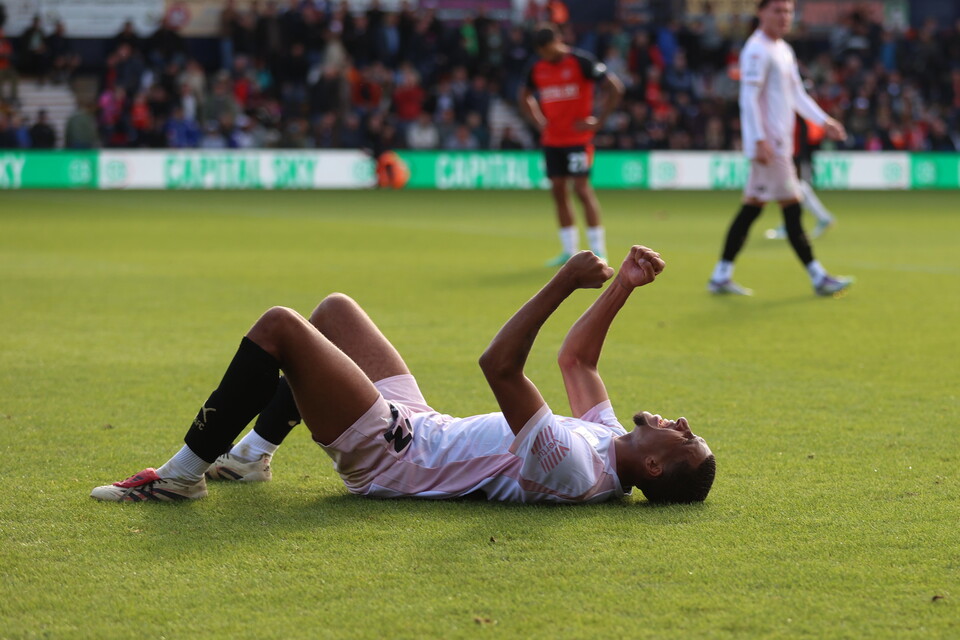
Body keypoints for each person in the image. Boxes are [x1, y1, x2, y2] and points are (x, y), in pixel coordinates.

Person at [91, 246, 715, 505]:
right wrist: (624, 286)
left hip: (395, 458)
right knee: (335, 311)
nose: (684, 423)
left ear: (655, 469)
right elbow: (577, 361)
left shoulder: (576, 469)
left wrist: (560, 282)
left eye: (686, 437)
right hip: (422, 428)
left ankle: (179, 479)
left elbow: (498, 366)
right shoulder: (606, 440)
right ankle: (253, 454)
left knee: (281, 326)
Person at [707, 0, 852, 297]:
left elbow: (797, 94)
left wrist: (824, 121)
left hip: (778, 144)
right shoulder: (757, 49)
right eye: (778, 10)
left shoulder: (783, 49)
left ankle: (721, 275)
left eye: (788, 11)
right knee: (792, 208)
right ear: (761, 12)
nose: (784, 17)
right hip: (770, 146)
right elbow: (748, 99)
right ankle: (818, 277)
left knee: (751, 209)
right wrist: (758, 139)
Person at [519, 23, 624, 267]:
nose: (545, 55)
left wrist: (598, 121)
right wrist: (538, 121)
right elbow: (523, 95)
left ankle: (598, 250)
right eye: (541, 52)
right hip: (552, 140)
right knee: (558, 191)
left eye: (547, 49)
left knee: (581, 189)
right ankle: (569, 251)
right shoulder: (537, 67)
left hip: (578, 140)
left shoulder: (581, 61)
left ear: (558, 41)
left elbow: (615, 87)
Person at [764, 116, 836, 241]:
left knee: (789, 189)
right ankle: (821, 218)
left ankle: (791, 224)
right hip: (793, 155)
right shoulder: (794, 113)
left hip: (792, 156)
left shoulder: (794, 114)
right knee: (796, 188)